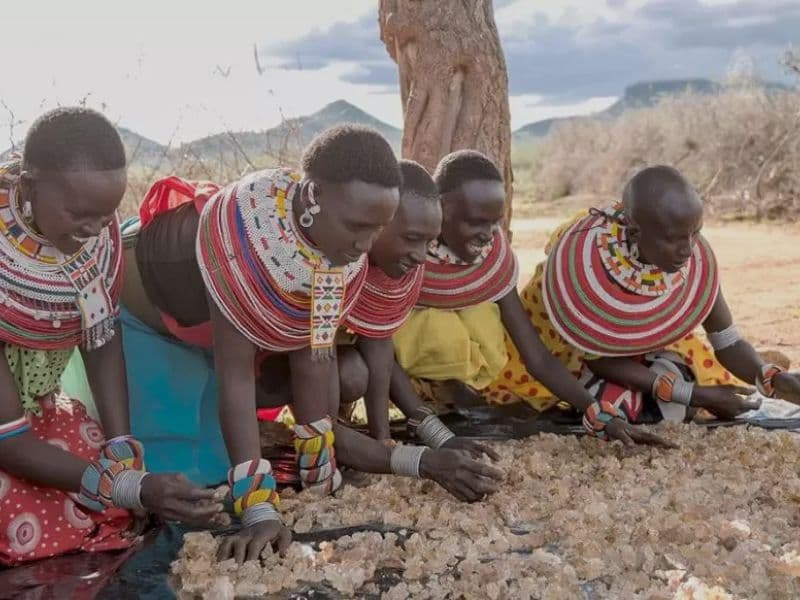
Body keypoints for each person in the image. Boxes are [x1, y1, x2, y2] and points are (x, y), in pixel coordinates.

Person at [116, 126, 503, 564]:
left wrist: (420, 461)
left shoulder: (335, 258)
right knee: (187, 480)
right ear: (315, 194)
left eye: (376, 230)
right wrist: (259, 510)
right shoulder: (244, 245)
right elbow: (237, 380)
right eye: (357, 226)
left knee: (221, 464)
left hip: (212, 341)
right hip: (147, 322)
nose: (363, 245)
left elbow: (314, 399)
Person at [0, 107, 222, 565]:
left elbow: (101, 337)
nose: (93, 229)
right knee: (29, 510)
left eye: (104, 217)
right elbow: (11, 443)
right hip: (8, 431)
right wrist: (129, 487)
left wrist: (122, 455)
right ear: (31, 182)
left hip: (33, 413)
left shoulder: (89, 247)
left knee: (100, 497)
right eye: (79, 213)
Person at [486, 165, 800, 432]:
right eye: (674, 238)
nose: (688, 249)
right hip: (567, 360)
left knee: (683, 382)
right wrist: (695, 396)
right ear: (635, 234)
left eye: (695, 233)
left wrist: (769, 376)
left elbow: (727, 340)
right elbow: (600, 359)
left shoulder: (687, 262)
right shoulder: (591, 273)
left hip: (636, 349)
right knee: (632, 407)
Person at [390, 150, 667, 446]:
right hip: (399, 372)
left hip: (467, 377)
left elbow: (535, 356)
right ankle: (435, 394)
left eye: (493, 223)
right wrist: (426, 430)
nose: (487, 235)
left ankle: (451, 389)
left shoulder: (490, 262)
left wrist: (597, 412)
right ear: (442, 208)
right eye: (475, 222)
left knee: (481, 318)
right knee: (437, 328)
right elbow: (377, 347)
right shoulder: (401, 253)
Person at [258, 159, 500, 459]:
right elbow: (315, 358)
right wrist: (345, 451)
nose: (422, 256)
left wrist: (393, 440)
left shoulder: (390, 269)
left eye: (428, 242)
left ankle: (339, 440)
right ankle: (328, 446)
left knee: (353, 372)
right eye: (412, 239)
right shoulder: (327, 266)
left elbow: (380, 351)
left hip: (317, 369)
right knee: (345, 373)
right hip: (265, 375)